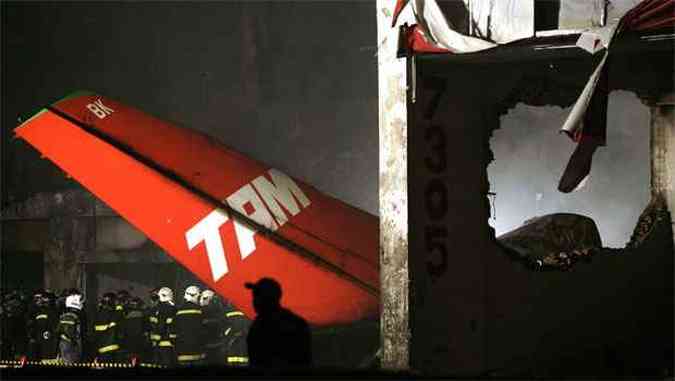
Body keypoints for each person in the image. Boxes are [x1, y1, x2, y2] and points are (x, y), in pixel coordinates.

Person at [245, 278, 312, 369]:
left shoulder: (260, 327)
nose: (253, 300)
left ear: (267, 298)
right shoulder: (297, 323)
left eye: (257, 295)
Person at [173, 285, 206, 366]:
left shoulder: (178, 311)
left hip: (182, 350)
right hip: (197, 350)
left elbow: (173, 330)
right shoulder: (200, 310)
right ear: (196, 296)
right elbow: (204, 329)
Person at [93, 292, 123, 363]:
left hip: (101, 349)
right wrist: (119, 307)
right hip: (111, 349)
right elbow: (118, 318)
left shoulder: (99, 314)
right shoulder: (112, 313)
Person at [56, 293, 85, 363]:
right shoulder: (77, 317)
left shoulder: (63, 316)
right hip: (72, 346)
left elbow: (57, 331)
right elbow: (78, 335)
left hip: (63, 344)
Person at [199, 290, 225, 366]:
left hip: (208, 346)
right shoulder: (219, 311)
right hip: (214, 345)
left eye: (204, 298)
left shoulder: (201, 311)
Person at [222, 299, 251, 367]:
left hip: (231, 342)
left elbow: (224, 326)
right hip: (242, 342)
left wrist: (229, 333)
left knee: (232, 360)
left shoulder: (227, 311)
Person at [153, 287, 176, 367]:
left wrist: (155, 340)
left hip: (160, 343)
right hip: (170, 343)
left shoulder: (161, 308)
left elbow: (160, 325)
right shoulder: (174, 308)